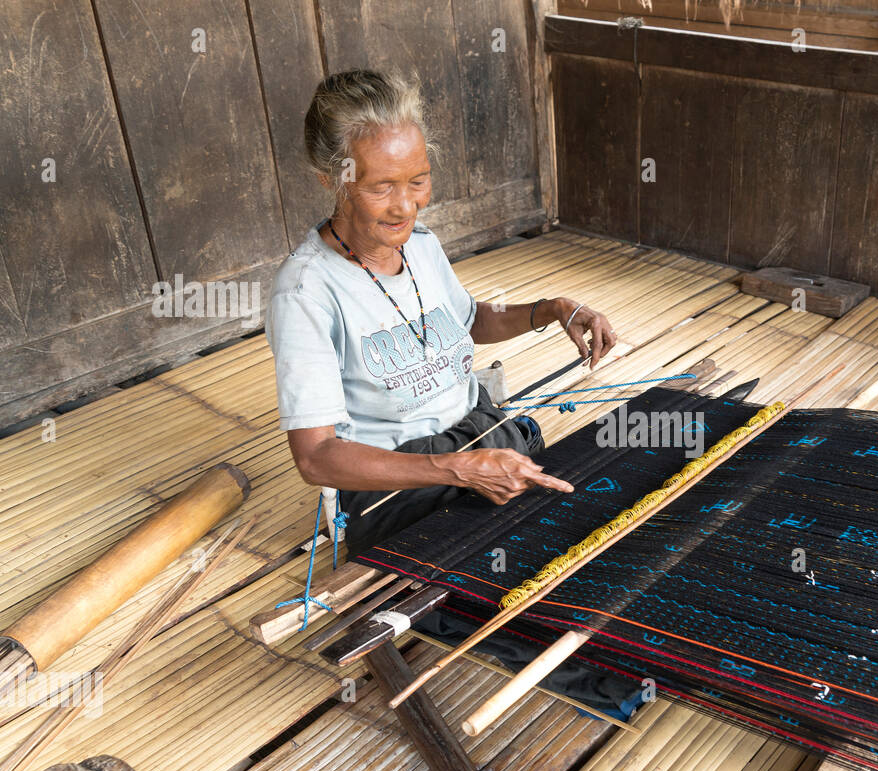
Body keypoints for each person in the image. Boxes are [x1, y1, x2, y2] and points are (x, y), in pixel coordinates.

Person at [265, 69, 638, 716]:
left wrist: (549, 308)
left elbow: (466, 320)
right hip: (400, 491)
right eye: (382, 186)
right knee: (530, 607)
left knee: (616, 537)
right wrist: (454, 468)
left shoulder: (422, 247)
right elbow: (317, 456)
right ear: (333, 179)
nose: (406, 206)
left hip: (483, 437)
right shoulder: (306, 292)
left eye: (418, 181)